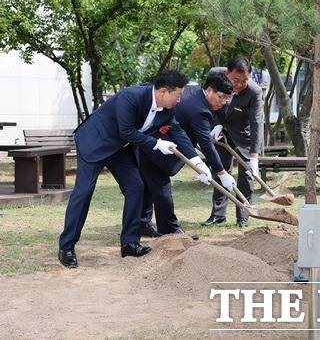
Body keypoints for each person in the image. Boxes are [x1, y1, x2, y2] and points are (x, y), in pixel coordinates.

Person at [58, 70, 212, 268]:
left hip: (120, 149)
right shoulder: (131, 97)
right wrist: (156, 143)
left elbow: (176, 130)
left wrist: (197, 162)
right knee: (84, 191)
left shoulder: (167, 108)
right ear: (164, 91)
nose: (180, 100)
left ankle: (130, 242)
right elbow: (126, 131)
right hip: (95, 143)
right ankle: (67, 246)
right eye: (178, 95)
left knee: (136, 186)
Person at [139, 71, 237, 236]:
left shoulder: (195, 93)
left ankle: (142, 224)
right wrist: (222, 173)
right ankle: (170, 230)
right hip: (157, 145)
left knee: (150, 187)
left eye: (227, 98)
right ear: (209, 90)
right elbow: (206, 145)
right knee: (161, 188)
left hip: (161, 141)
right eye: (221, 97)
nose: (224, 102)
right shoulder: (199, 109)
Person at [202, 57, 264, 228]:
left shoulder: (254, 91)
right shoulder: (215, 75)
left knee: (246, 176)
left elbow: (256, 121)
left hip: (244, 135)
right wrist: (215, 124)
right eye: (235, 80)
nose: (239, 84)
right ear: (226, 73)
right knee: (220, 170)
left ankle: (243, 214)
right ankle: (218, 215)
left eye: (245, 80)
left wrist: (254, 157)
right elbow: (206, 101)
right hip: (220, 133)